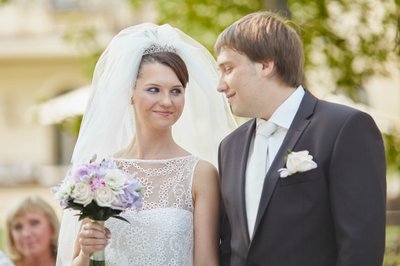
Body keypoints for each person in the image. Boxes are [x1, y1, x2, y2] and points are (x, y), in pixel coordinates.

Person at [215, 11, 386, 266]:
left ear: (265, 64)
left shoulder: (345, 129)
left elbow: (361, 248)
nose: (220, 85)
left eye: (228, 69)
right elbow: (231, 247)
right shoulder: (230, 147)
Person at [56, 23, 236, 266]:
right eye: (153, 90)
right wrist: (85, 254)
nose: (166, 101)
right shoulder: (99, 175)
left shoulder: (200, 174)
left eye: (176, 91)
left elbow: (206, 262)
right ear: (130, 92)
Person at [4, 196, 60, 266]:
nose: (26, 234)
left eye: (34, 223)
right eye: (18, 227)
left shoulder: (69, 262)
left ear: (52, 227)